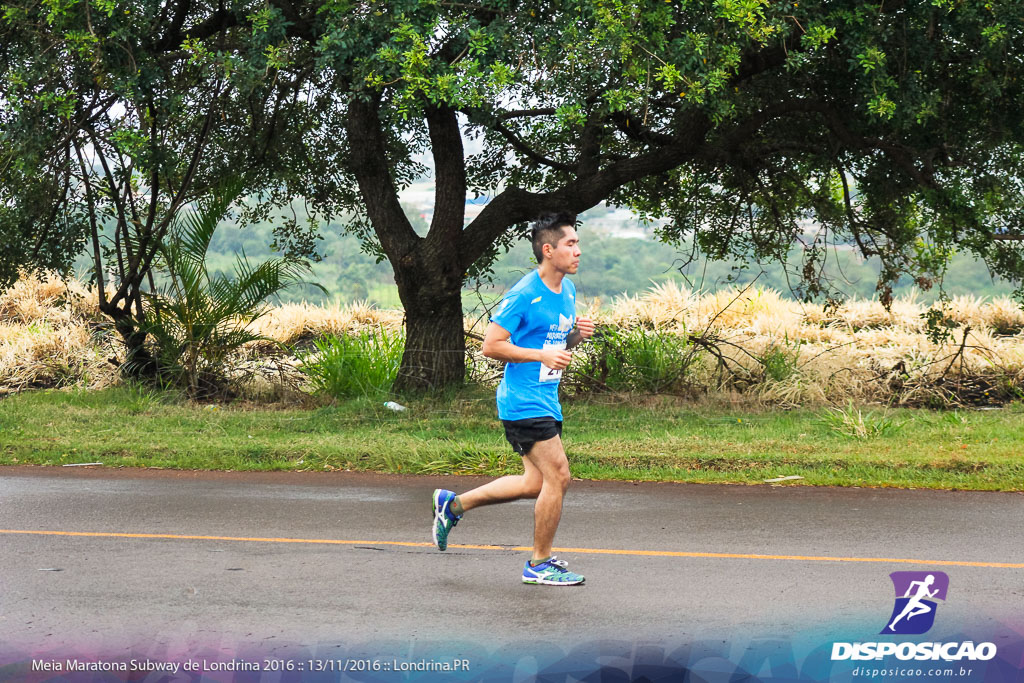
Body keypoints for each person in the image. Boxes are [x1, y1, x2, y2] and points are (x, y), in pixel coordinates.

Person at [431, 212, 594, 585]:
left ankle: (453, 505)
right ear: (549, 250)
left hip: (546, 398)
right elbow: (491, 346)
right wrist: (540, 356)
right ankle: (538, 564)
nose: (578, 251)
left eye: (578, 244)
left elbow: (554, 346)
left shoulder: (565, 290)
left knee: (535, 483)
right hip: (523, 402)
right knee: (559, 476)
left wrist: (576, 338)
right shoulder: (524, 294)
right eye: (571, 244)